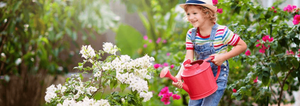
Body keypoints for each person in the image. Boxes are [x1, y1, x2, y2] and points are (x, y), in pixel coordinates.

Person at [172, 0, 247, 106]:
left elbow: (242, 45)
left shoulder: (222, 32)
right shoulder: (191, 34)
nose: (190, 17)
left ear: (207, 13)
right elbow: (189, 59)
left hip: (217, 76)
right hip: (197, 78)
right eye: (188, 14)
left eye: (194, 13)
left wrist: (223, 57)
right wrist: (179, 76)